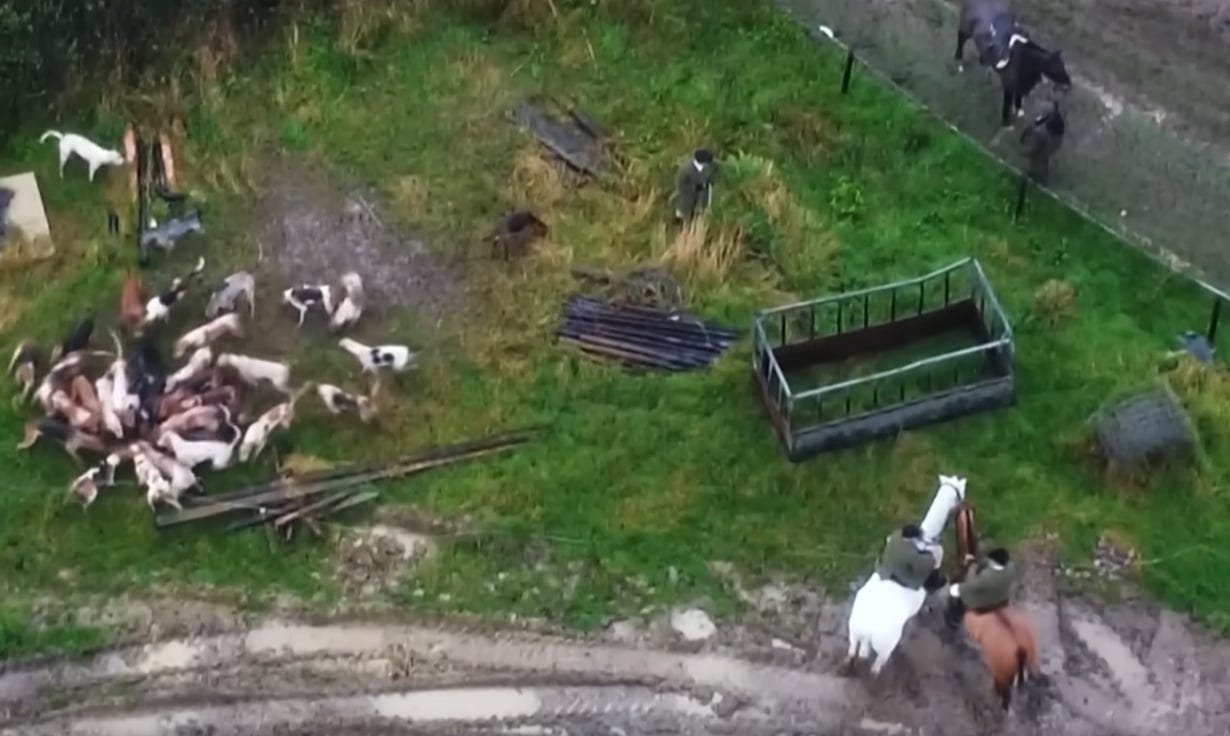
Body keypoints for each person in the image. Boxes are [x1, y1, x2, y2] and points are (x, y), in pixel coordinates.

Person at [945, 547, 1016, 627]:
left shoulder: (986, 577)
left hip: (984, 601)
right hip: (1002, 596)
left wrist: (972, 565)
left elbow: (970, 582)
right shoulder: (1010, 567)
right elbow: (987, 561)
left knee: (955, 590)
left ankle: (955, 617)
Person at [877, 523, 945, 591]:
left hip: (887, 566)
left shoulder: (896, 534)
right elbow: (928, 564)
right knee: (936, 556)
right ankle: (932, 583)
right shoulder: (911, 555)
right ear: (912, 538)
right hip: (900, 577)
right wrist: (930, 556)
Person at [673, 148, 716, 223]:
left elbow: (710, 175)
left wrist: (711, 181)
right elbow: (679, 184)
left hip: (701, 197)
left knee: (698, 214)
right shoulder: (685, 169)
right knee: (683, 214)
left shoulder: (707, 167)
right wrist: (694, 187)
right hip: (686, 197)